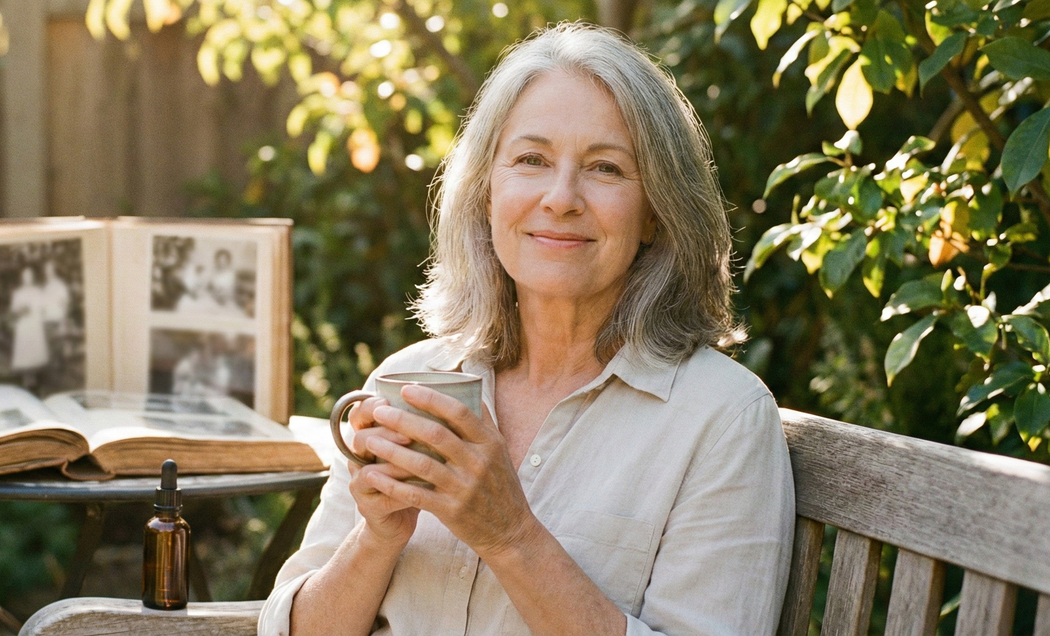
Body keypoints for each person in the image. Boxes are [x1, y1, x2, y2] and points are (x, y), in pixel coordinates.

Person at [259, 23, 794, 636]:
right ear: (486, 193)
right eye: (532, 160)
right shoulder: (412, 381)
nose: (561, 198)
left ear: (655, 213)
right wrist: (376, 536)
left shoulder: (721, 420)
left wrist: (511, 535)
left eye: (606, 168)